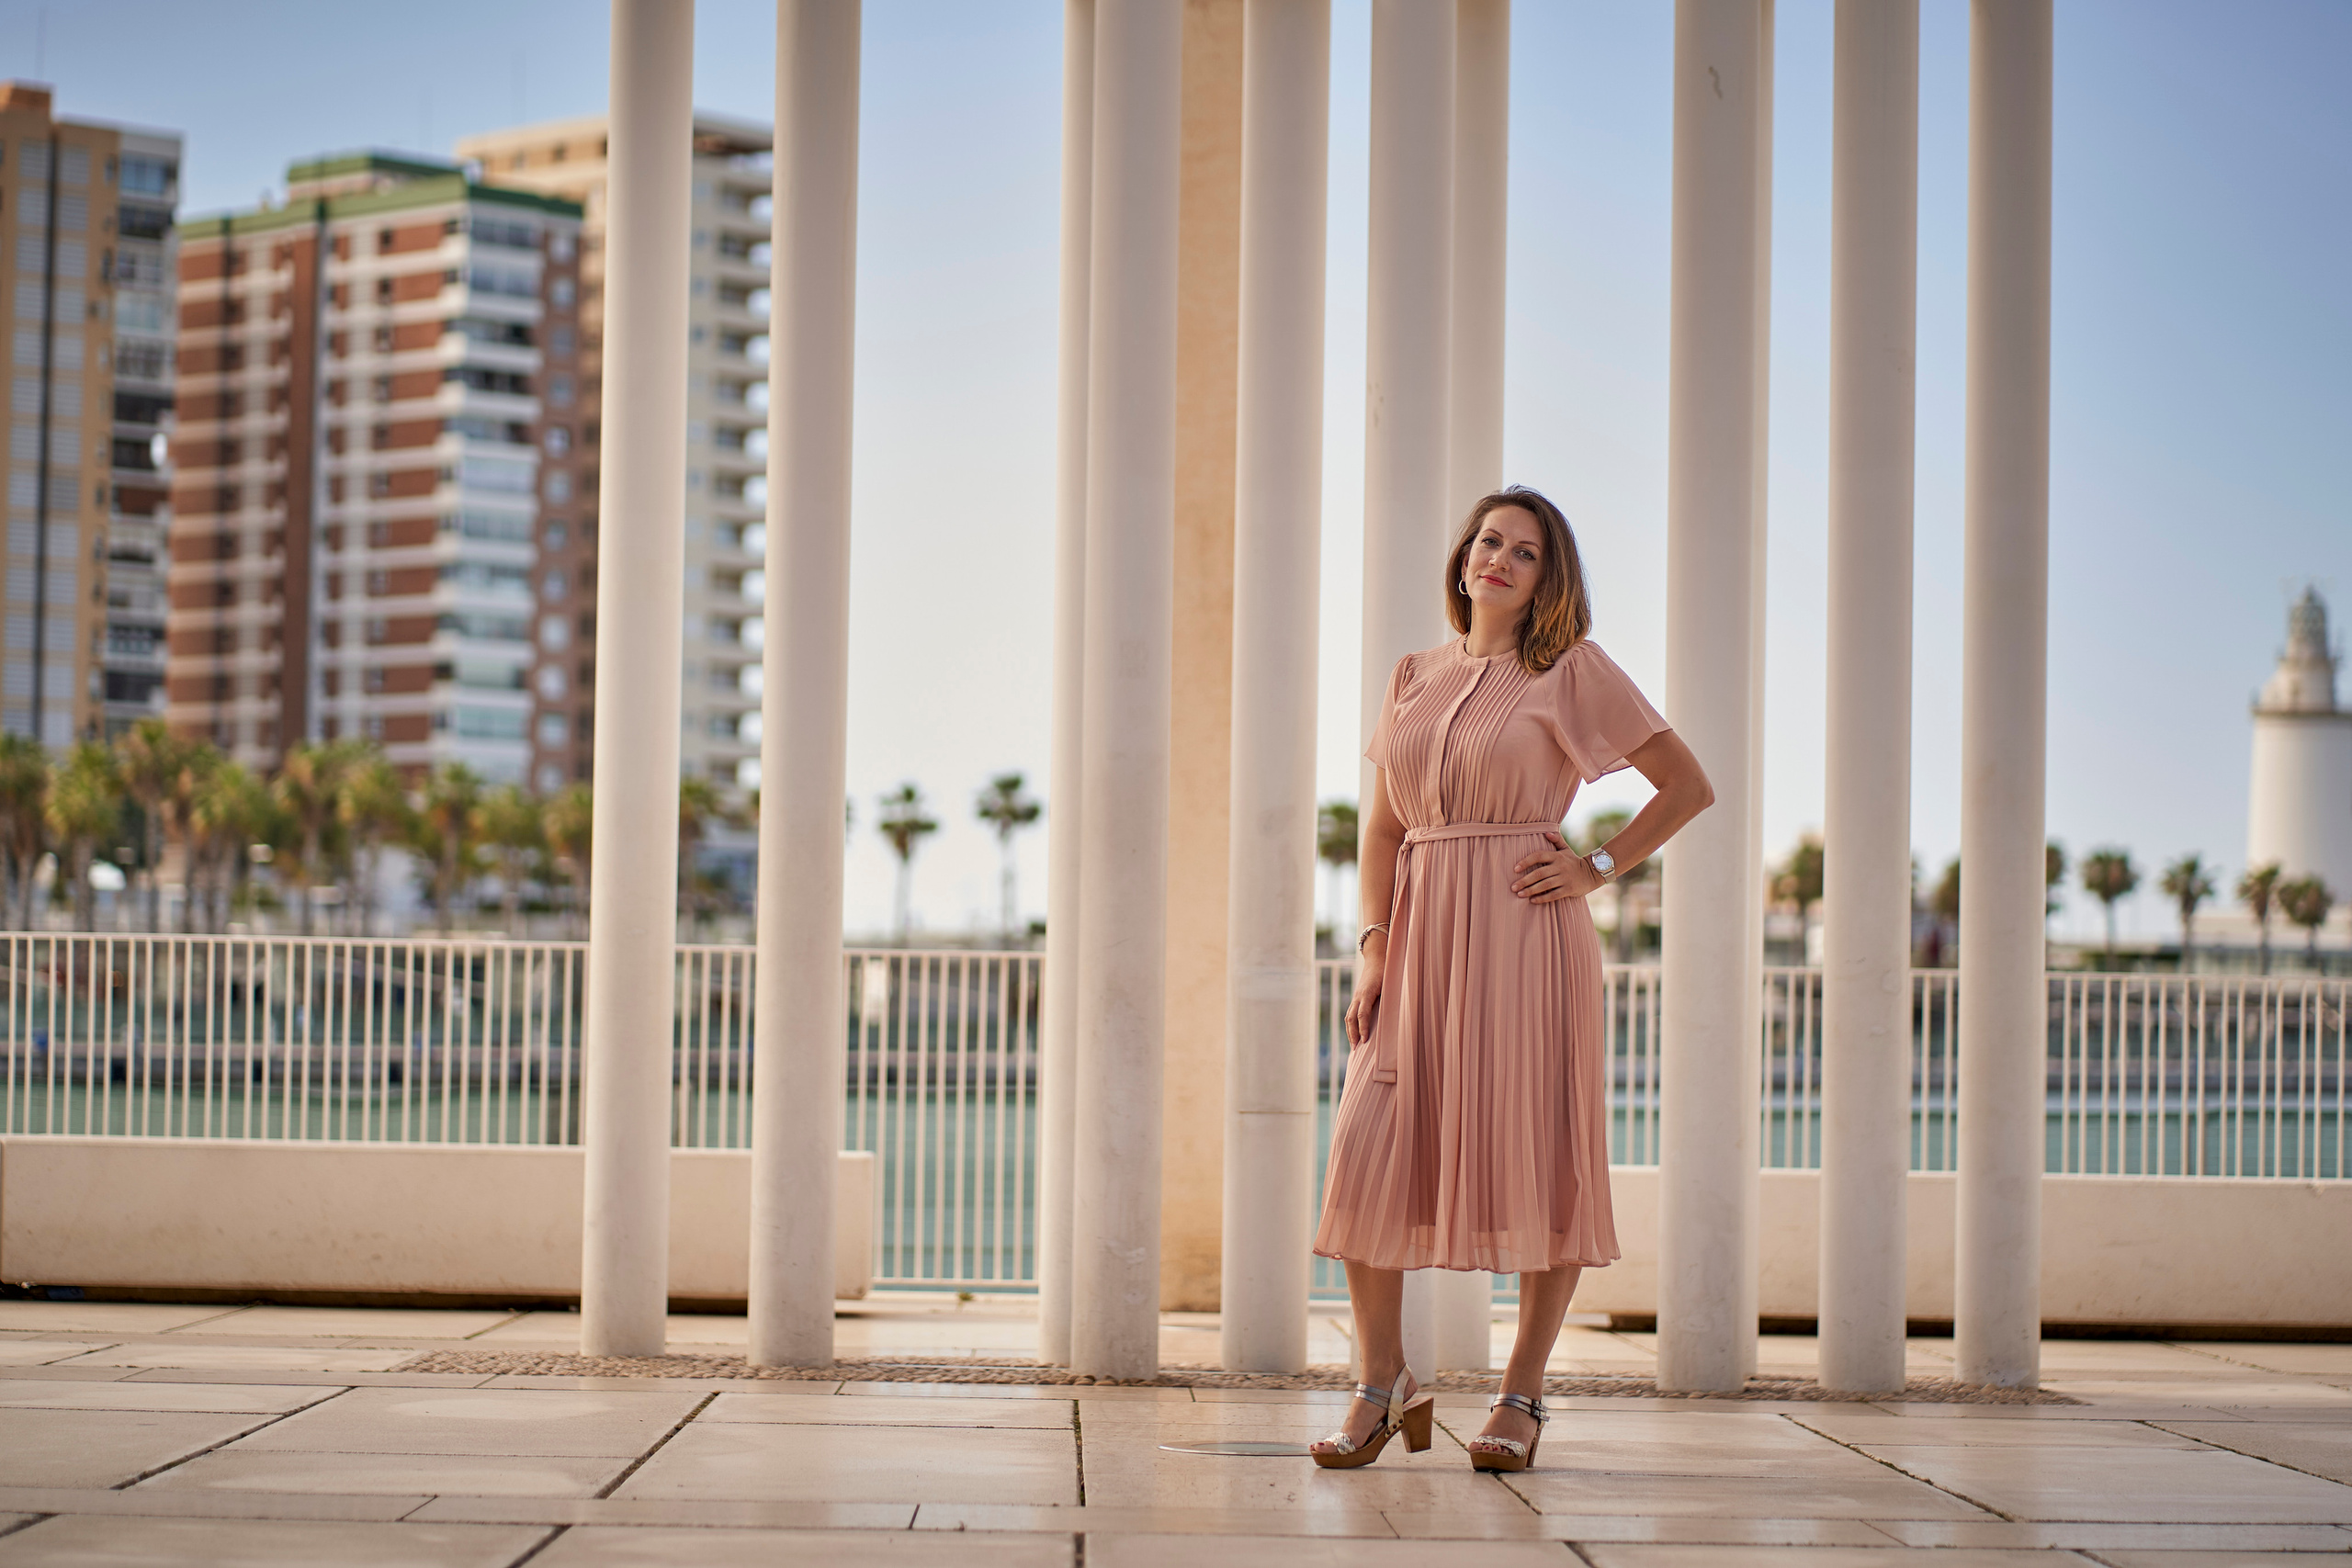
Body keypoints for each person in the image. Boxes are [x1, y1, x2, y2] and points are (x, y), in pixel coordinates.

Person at [1307, 487, 1713, 1472]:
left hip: (1528, 941)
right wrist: (1372, 947)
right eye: (1487, 541)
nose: (1497, 558)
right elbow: (1384, 828)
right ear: (1462, 558)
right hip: (1414, 945)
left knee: (1541, 1148)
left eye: (1523, 552)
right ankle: (1382, 1379)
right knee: (1371, 1144)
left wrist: (1597, 867)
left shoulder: (1570, 670)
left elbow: (1687, 785)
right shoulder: (1414, 673)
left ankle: (1522, 1393)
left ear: (1547, 579)